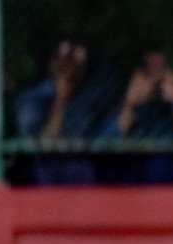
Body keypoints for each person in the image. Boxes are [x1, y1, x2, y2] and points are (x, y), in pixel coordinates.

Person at [13, 39, 121, 185]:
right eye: (65, 60)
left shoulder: (87, 98)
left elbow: (109, 137)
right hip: (45, 186)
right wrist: (59, 98)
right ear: (52, 63)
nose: (70, 66)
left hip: (85, 187)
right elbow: (46, 143)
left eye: (74, 61)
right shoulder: (32, 98)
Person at [109, 49, 173, 184]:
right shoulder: (121, 102)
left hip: (171, 178)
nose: (155, 76)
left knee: (162, 168)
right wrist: (130, 103)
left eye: (161, 69)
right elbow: (108, 143)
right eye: (148, 70)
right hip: (131, 178)